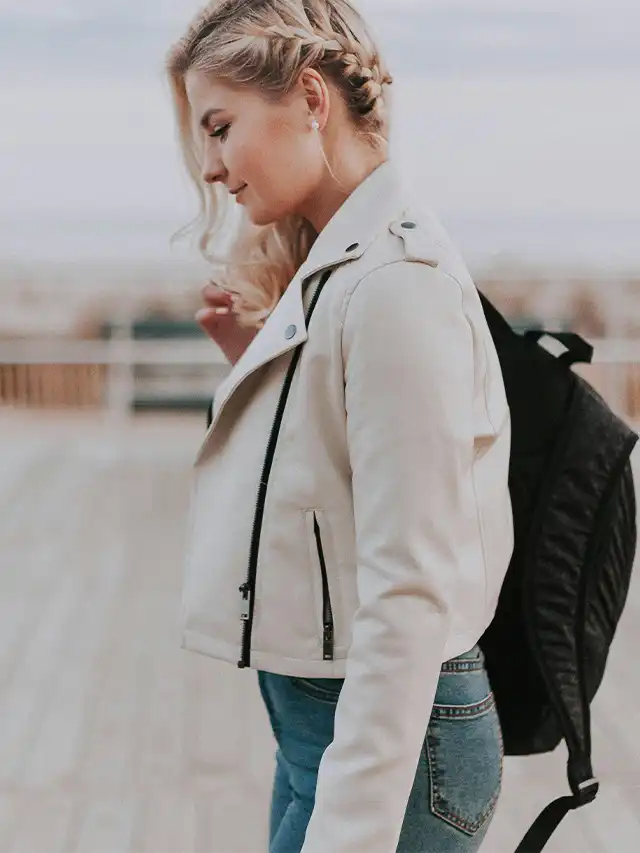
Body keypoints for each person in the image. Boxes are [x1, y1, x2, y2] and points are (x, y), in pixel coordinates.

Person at [167, 2, 514, 852]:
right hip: (328, 728)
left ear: (311, 100)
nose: (212, 167)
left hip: (391, 745)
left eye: (220, 127)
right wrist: (255, 356)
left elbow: (409, 588)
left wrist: (351, 829)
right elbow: (336, 467)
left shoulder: (396, 283)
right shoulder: (343, 263)